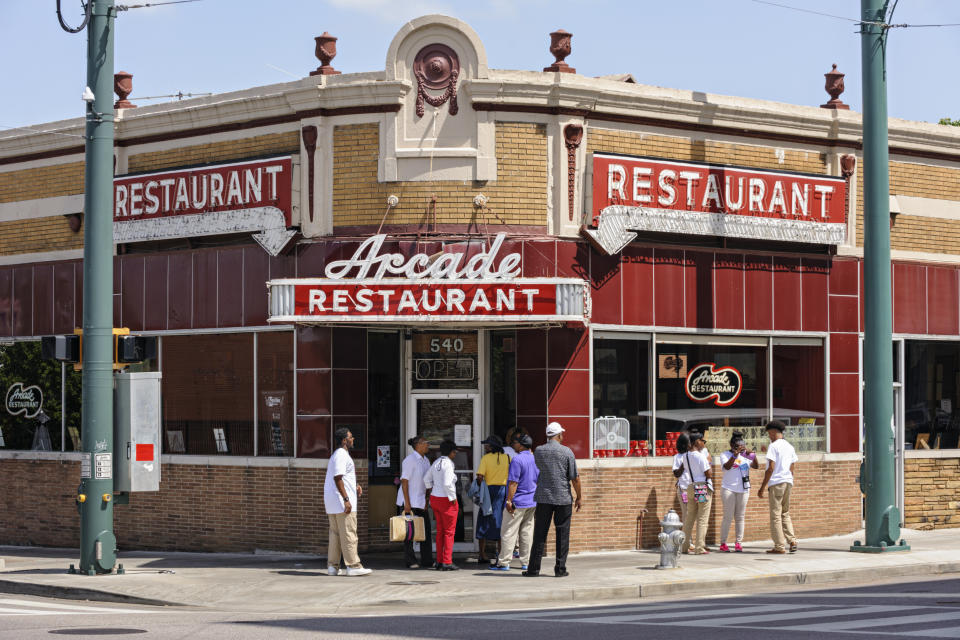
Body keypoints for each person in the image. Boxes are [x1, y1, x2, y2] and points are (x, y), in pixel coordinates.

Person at [524, 422, 582, 578]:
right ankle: (560, 569)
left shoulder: (538, 451)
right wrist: (579, 497)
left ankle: (533, 569)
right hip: (563, 497)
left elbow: (538, 468)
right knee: (562, 534)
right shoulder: (567, 452)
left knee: (539, 534)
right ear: (559, 435)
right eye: (562, 434)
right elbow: (574, 478)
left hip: (543, 497)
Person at [324, 427, 372, 576]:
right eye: (351, 437)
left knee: (336, 534)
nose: (353, 439)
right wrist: (346, 499)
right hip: (341, 501)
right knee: (349, 533)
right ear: (344, 440)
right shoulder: (341, 455)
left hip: (333, 501)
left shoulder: (338, 455)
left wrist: (355, 485)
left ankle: (333, 566)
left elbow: (342, 477)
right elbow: (338, 477)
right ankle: (353, 566)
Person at [490, 433, 539, 571]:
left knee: (508, 532)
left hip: (517, 501)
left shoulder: (517, 460)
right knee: (526, 532)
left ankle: (504, 562)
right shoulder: (536, 459)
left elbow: (513, 483)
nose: (513, 445)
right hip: (531, 501)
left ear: (521, 445)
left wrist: (509, 501)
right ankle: (526, 562)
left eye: (515, 443)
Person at [757, 420, 799, 554]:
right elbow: (792, 467)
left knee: (775, 515)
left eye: (769, 433)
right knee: (785, 513)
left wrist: (762, 487)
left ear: (775, 432)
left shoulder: (773, 446)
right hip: (788, 482)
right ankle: (792, 540)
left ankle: (779, 546)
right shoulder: (789, 446)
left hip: (776, 482)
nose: (769, 436)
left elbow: (771, 468)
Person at [718, 431, 759, 552]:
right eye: (736, 446)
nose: (739, 449)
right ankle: (723, 543)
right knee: (728, 517)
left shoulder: (745, 455)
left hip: (743, 489)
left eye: (741, 446)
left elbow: (756, 466)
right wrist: (734, 456)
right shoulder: (724, 454)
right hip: (728, 489)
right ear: (731, 445)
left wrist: (753, 455)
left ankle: (738, 543)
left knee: (740, 517)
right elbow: (726, 467)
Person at [396, 436, 433, 569]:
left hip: (421, 501)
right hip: (408, 502)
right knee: (409, 533)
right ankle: (411, 561)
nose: (428, 445)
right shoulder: (409, 460)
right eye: (426, 443)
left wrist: (427, 500)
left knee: (425, 531)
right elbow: (404, 481)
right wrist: (407, 503)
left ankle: (427, 560)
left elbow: (428, 482)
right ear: (418, 445)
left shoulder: (426, 460)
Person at [424, 440, 460, 571]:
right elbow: (447, 483)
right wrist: (453, 498)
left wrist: (432, 488)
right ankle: (447, 561)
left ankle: (439, 561)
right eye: (455, 452)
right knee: (449, 532)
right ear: (451, 452)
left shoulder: (436, 462)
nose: (455, 454)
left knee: (440, 531)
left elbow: (426, 479)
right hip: (446, 500)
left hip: (435, 498)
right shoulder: (449, 464)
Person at [475, 435, 510, 563]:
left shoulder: (485, 458)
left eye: (487, 445)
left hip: (489, 491)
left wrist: (481, 487)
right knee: (501, 521)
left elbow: (479, 476)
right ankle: (500, 555)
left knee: (484, 520)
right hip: (503, 491)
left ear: (492, 446)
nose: (485, 446)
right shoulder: (507, 458)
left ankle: (482, 554)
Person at [681, 430, 713, 555]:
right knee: (702, 518)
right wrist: (709, 463)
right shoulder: (700, 456)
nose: (704, 443)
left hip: (691, 486)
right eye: (702, 441)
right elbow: (708, 473)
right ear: (697, 442)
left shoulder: (685, 456)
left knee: (689, 518)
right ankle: (700, 547)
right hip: (702, 487)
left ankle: (684, 546)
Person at [672, 433, 693, 523]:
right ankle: (688, 536)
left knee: (699, 512)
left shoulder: (695, 455)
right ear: (684, 444)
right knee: (687, 512)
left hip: (697, 488)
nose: (691, 444)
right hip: (684, 489)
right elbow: (676, 474)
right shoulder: (678, 457)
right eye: (689, 442)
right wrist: (684, 463)